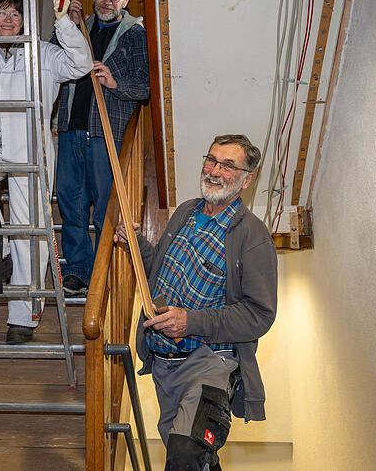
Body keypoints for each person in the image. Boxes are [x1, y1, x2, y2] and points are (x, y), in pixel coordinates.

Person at [115, 135, 277, 470]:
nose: (215, 171)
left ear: (247, 179)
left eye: (228, 165)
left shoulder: (252, 235)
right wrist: (135, 243)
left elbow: (259, 314)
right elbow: (158, 273)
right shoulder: (186, 212)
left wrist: (191, 321)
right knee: (192, 461)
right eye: (212, 160)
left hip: (208, 364)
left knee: (186, 455)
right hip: (164, 366)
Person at [0, 0, 92, 344]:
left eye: (15, 13)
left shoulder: (46, 54)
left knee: (28, 231)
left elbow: (81, 63)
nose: (8, 19)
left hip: (31, 146)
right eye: (1, 12)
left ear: (24, 20)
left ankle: (23, 317)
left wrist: (63, 22)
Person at [55, 0, 149, 297]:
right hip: (71, 127)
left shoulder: (136, 33)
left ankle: (101, 272)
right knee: (71, 202)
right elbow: (47, 59)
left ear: (125, 0)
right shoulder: (80, 27)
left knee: (105, 209)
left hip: (106, 132)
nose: (107, 1)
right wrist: (66, 23)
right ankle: (77, 269)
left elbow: (146, 85)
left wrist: (114, 83)